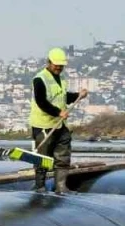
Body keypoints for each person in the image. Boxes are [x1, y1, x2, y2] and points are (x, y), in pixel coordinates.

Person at [29, 48, 85, 195]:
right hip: (44, 125)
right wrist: (58, 112)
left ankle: (61, 188)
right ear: (49, 62)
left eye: (61, 65)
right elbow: (41, 101)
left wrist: (78, 95)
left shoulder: (61, 78)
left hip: (61, 124)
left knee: (63, 156)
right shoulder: (39, 79)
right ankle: (39, 187)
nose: (59, 68)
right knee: (43, 158)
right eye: (56, 65)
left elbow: (63, 97)